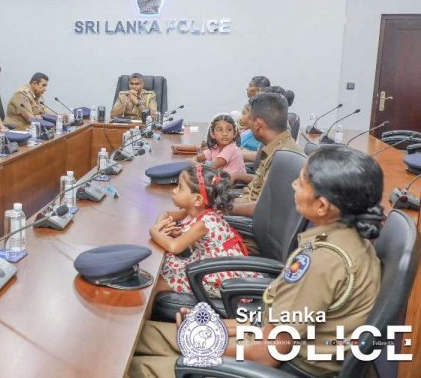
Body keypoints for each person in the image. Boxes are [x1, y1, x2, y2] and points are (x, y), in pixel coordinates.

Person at [129, 146, 383, 378]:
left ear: (322, 206)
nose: (293, 184)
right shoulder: (348, 240)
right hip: (264, 337)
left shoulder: (322, 263)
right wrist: (213, 325)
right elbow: (273, 321)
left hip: (275, 366)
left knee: (133, 366)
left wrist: (200, 341)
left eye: (302, 182)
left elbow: (265, 355)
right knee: (142, 336)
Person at [150, 164, 249, 297]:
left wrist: (154, 232)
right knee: (159, 269)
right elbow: (166, 214)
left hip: (220, 278)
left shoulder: (204, 222)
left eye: (180, 188)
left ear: (197, 199)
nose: (174, 190)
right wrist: (162, 225)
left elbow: (174, 247)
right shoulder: (198, 211)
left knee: (156, 283)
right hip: (208, 264)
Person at [231, 93, 303, 208]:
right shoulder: (277, 146)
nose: (248, 124)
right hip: (243, 201)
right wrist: (238, 176)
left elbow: (262, 208)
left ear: (258, 124)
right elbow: (262, 184)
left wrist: (220, 207)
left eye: (250, 119)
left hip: (248, 214)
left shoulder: (282, 157)